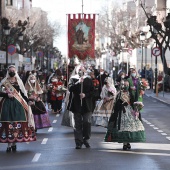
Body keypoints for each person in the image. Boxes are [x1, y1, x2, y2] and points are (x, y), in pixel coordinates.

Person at [0, 65, 36, 152]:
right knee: (7, 122)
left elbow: (23, 93)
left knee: (17, 122)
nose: (12, 72)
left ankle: (14, 142)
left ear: (15, 71)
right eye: (10, 70)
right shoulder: (4, 81)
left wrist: (28, 101)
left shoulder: (19, 82)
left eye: (13, 70)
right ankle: (9, 144)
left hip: (17, 104)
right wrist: (6, 95)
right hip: (6, 104)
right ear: (8, 71)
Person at [104, 80, 146, 150]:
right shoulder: (119, 94)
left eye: (127, 85)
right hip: (121, 112)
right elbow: (115, 103)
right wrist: (120, 105)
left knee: (130, 127)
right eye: (124, 85)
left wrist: (137, 108)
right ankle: (124, 143)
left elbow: (134, 102)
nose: (125, 86)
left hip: (130, 111)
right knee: (123, 128)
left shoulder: (130, 93)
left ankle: (128, 142)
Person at [67, 65, 94, 149]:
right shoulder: (73, 79)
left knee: (87, 122)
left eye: (82, 69)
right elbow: (70, 88)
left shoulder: (89, 79)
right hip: (76, 104)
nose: (81, 71)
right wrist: (78, 82)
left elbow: (93, 92)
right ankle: (78, 141)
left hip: (87, 105)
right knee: (77, 124)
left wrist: (85, 95)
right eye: (79, 69)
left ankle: (86, 139)